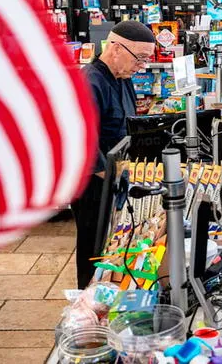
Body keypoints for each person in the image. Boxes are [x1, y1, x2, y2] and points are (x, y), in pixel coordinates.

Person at [72, 21, 156, 289]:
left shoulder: (123, 78)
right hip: (95, 185)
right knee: (93, 248)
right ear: (116, 48)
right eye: (139, 58)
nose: (142, 66)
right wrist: (115, 177)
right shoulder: (90, 82)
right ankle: (86, 306)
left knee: (111, 246)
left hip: (116, 179)